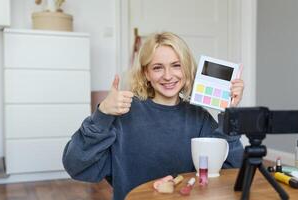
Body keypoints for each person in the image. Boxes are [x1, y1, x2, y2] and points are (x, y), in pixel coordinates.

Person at [62, 32, 245, 200]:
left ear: (187, 69)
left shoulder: (199, 117)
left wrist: (230, 115)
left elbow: (231, 168)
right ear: (146, 73)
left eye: (176, 66)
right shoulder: (123, 114)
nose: (168, 76)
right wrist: (102, 114)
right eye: (158, 68)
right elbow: (77, 166)